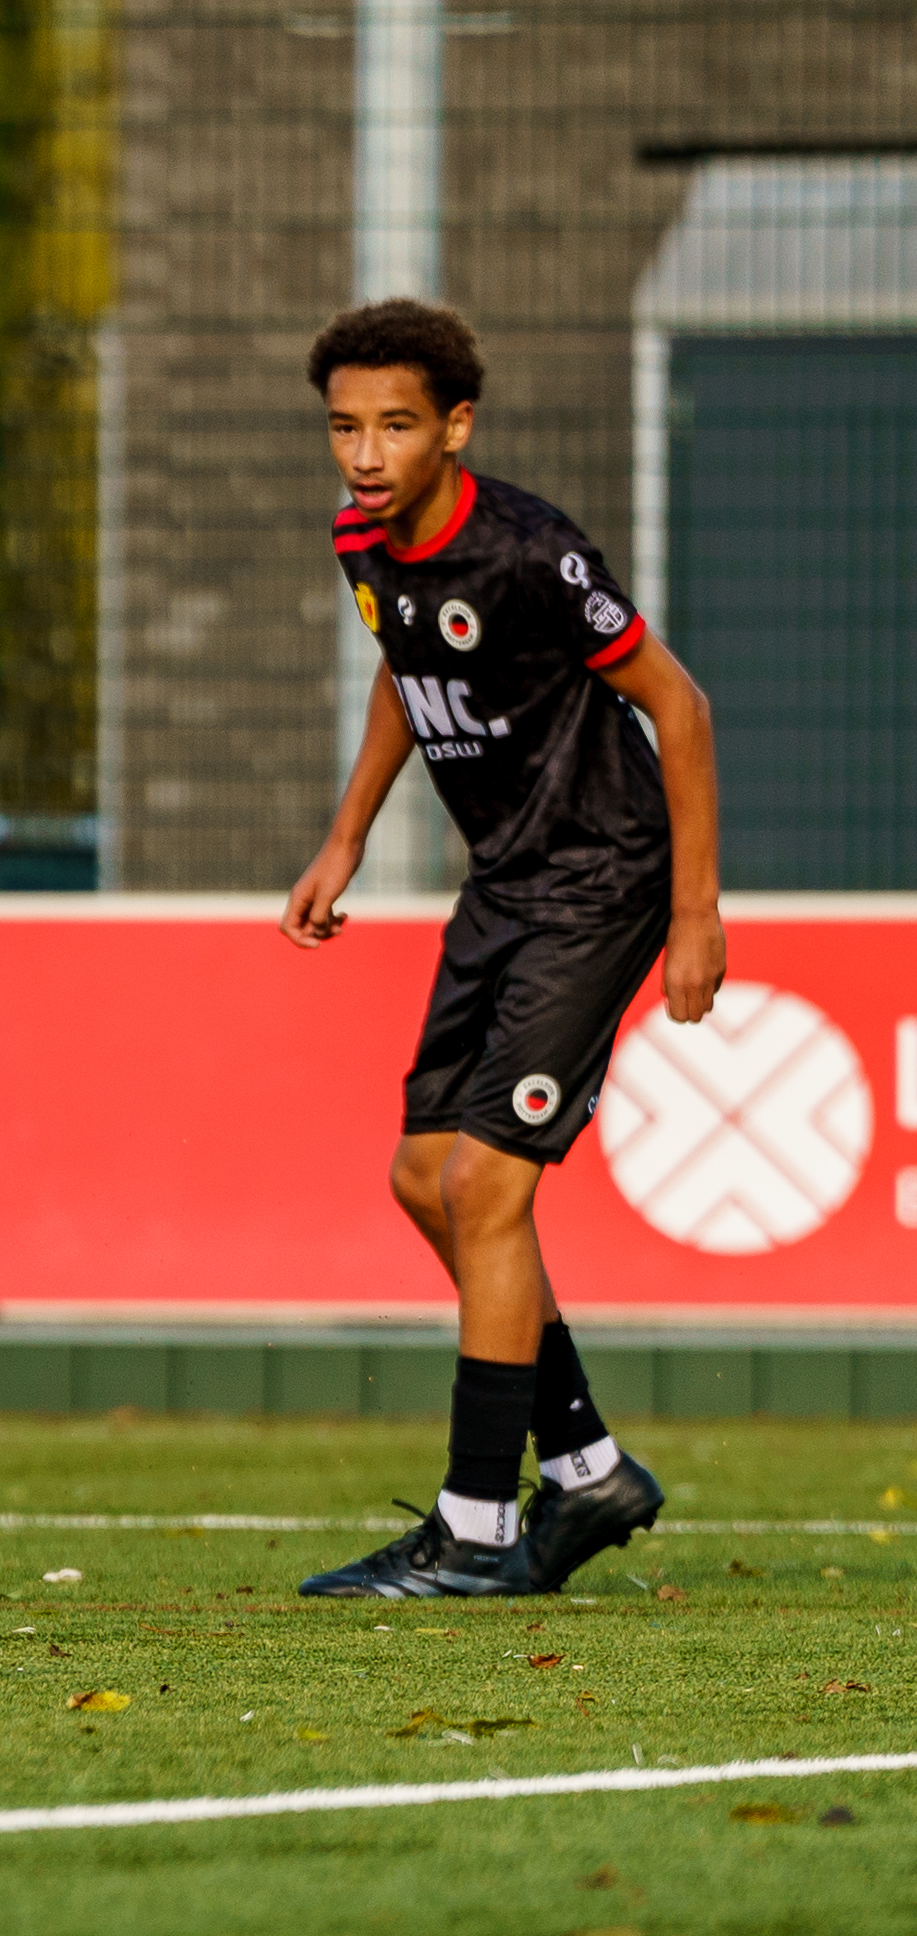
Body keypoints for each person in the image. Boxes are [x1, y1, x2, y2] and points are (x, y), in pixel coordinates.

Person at [282, 299, 722, 1598]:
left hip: (603, 880)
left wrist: (697, 914)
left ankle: (475, 1530)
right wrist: (345, 838)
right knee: (426, 1177)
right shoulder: (364, 540)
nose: (366, 454)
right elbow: (400, 669)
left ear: (455, 429)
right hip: (507, 883)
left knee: (489, 1187)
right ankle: (585, 1469)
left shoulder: (531, 550)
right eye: (345, 428)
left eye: (396, 427)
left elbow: (678, 705)